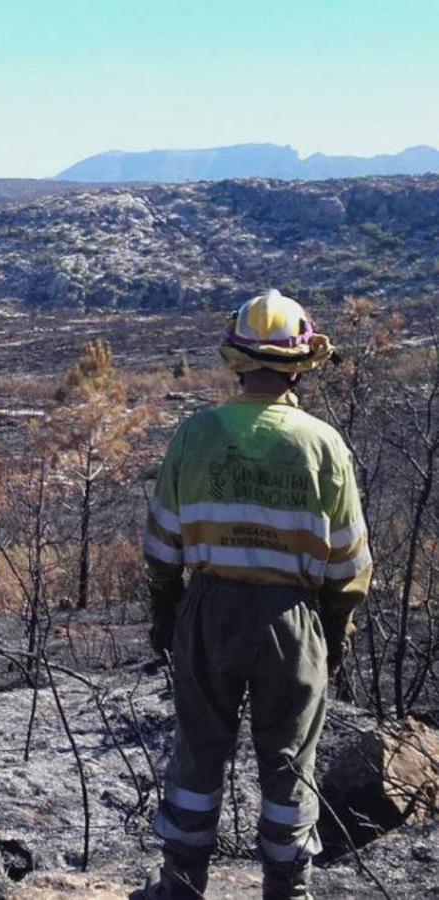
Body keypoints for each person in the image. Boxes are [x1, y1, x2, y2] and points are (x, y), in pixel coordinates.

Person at [142, 289, 372, 900]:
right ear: (300, 365)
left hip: (210, 610)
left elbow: (163, 543)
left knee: (198, 753)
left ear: (237, 361)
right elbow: (348, 561)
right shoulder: (324, 446)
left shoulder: (195, 435)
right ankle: (287, 889)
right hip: (291, 620)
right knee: (290, 760)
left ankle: (183, 885)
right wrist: (335, 633)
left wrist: (165, 612)